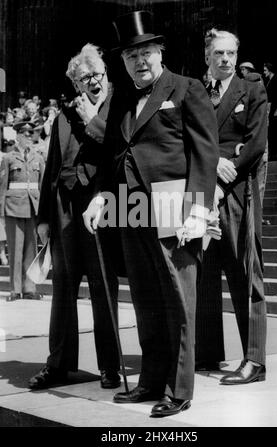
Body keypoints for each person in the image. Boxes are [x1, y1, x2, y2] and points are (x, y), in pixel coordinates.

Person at [83, 10, 219, 417]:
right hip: (131, 207)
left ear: (160, 51)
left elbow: (205, 152)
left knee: (178, 300)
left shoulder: (186, 88)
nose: (139, 62)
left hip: (172, 203)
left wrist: (198, 208)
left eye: (145, 52)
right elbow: (112, 155)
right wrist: (101, 197)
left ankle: (179, 390)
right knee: (145, 297)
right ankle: (150, 380)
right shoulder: (122, 97)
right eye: (130, 56)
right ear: (122, 62)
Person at [28, 43, 121, 391]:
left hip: (101, 206)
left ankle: (110, 367)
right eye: (85, 79)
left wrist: (91, 118)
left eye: (97, 75)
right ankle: (58, 365)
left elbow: (117, 153)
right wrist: (43, 217)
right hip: (64, 212)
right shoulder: (64, 116)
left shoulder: (118, 107)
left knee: (102, 289)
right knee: (63, 291)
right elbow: (52, 168)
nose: (93, 82)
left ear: (106, 74)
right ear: (76, 84)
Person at [195, 28, 268, 385]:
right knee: (204, 268)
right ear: (207, 55)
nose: (225, 60)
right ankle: (207, 351)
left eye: (230, 53)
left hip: (238, 190)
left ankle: (254, 359)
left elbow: (255, 143)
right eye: (218, 53)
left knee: (244, 271)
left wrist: (226, 174)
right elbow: (185, 137)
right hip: (201, 189)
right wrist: (213, 163)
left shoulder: (251, 88)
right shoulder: (195, 91)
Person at [0, 121, 45, 301]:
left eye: (30, 133)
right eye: (24, 134)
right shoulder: (8, 158)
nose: (28, 137)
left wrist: (43, 210)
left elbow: (42, 186)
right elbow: (2, 186)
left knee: (31, 250)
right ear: (17, 135)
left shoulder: (38, 158)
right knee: (16, 250)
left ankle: (29, 288)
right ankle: (15, 289)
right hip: (13, 207)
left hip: (33, 207)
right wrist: (1, 213)